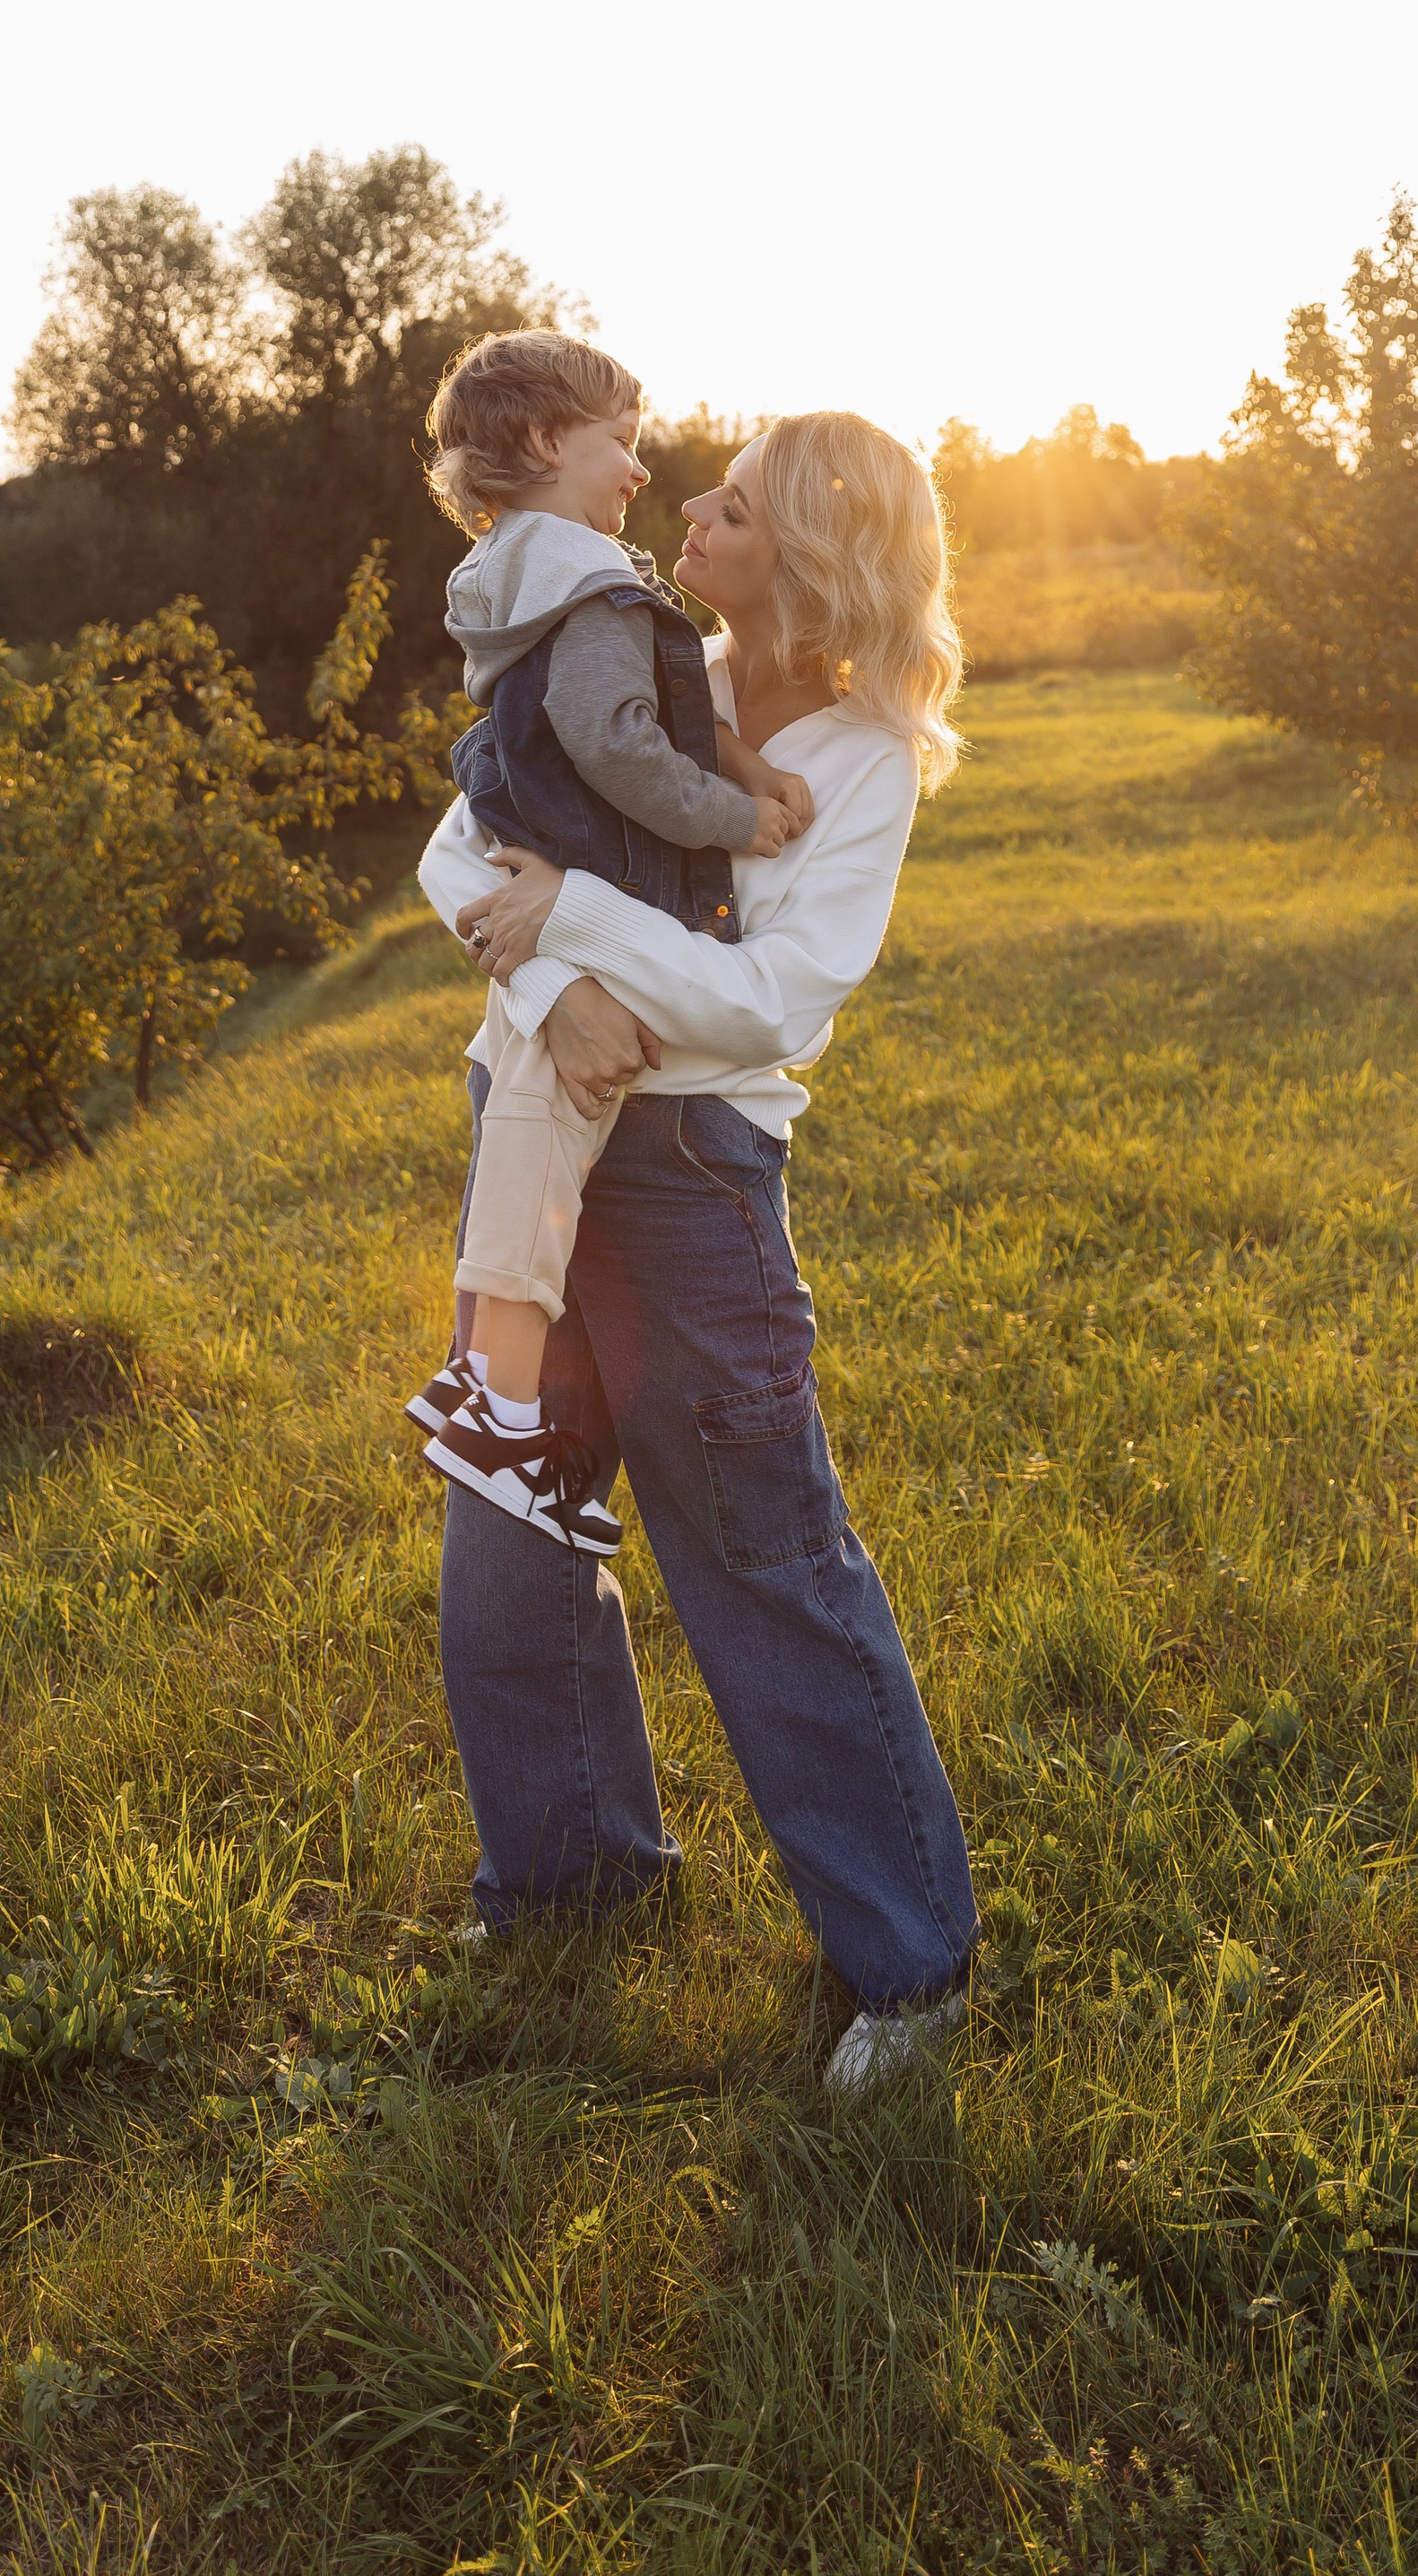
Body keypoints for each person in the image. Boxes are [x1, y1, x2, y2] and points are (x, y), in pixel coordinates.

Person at [416, 409, 979, 2091]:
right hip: (529, 1125)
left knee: (760, 1553)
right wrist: (554, 986)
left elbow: (767, 1003)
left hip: (689, 1183)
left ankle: (911, 1966)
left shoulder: (868, 761)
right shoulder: (628, 652)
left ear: (806, 560)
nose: (685, 520)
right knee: (507, 1523)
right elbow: (463, 842)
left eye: (727, 507)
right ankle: (574, 1880)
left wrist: (572, 926)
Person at [406, 328, 814, 1553]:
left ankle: (480, 1382)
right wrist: (736, 813)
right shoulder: (583, 578)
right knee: (541, 1144)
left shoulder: (524, 577)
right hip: (599, 882)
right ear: (543, 443)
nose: (641, 470)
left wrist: (734, 752)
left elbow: (649, 705)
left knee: (530, 1131)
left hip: (555, 884)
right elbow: (621, 743)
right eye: (621, 443)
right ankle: (496, 1405)